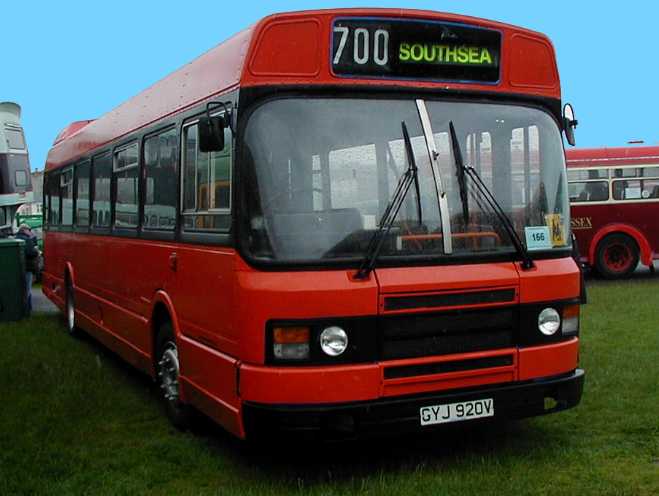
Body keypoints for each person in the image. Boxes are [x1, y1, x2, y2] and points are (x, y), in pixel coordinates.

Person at [15, 224, 39, 316]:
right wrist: (36, 250)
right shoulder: (27, 239)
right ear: (24, 230)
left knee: (20, 289)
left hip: (18, 269)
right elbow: (31, 253)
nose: (30, 231)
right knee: (27, 289)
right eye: (29, 229)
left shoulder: (15, 238)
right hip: (28, 268)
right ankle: (27, 310)